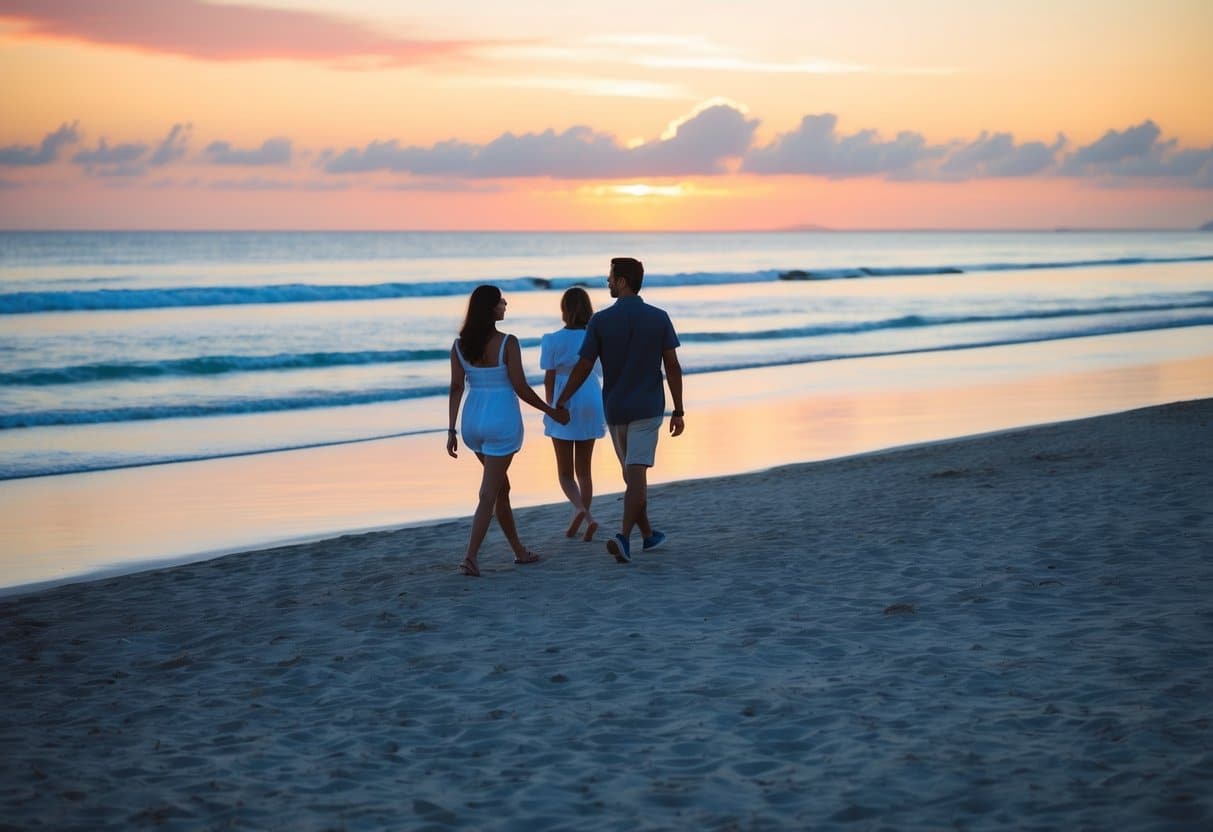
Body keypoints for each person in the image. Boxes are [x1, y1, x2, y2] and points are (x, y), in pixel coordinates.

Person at [555, 257, 684, 564]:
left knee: (633, 477)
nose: (608, 282)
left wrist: (562, 399)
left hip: (615, 408)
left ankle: (638, 536)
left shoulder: (600, 321)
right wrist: (678, 409)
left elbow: (583, 367)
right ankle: (633, 537)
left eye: (611, 278)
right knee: (635, 478)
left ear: (623, 281)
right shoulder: (658, 318)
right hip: (647, 406)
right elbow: (673, 366)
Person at [446, 284, 568, 577]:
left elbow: (456, 387)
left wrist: (451, 430)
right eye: (501, 301)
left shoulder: (459, 345)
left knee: (502, 488)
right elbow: (521, 388)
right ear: (490, 308)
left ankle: (519, 551)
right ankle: (470, 558)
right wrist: (551, 411)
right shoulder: (508, 343)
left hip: (472, 421)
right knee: (489, 493)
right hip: (501, 421)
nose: (505, 304)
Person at [540, 287, 607, 542]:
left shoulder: (551, 339)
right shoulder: (594, 336)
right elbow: (600, 368)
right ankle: (578, 524)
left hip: (564, 396)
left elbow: (549, 377)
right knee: (585, 471)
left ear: (564, 310)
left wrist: (551, 407)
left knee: (565, 472)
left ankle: (583, 513)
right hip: (590, 393)